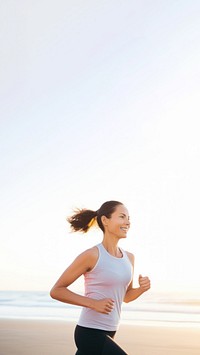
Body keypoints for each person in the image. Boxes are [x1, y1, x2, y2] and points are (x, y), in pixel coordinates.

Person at [50, 200, 151, 355]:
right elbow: (57, 290)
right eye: (122, 217)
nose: (128, 222)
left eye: (129, 218)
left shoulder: (129, 258)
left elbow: (126, 297)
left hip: (111, 330)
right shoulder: (91, 255)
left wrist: (142, 289)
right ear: (105, 220)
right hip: (89, 332)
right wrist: (93, 303)